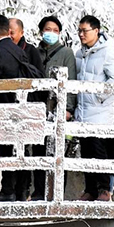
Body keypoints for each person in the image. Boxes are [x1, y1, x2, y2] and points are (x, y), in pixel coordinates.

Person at [75, 15, 114, 201]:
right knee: (86, 151)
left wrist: (98, 96)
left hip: (100, 112)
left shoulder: (107, 52)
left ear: (96, 31)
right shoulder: (79, 54)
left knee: (100, 151)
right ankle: (90, 189)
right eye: (79, 30)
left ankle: (105, 189)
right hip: (82, 111)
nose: (81, 34)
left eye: (85, 31)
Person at [0, 14, 33, 202]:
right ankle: (19, 191)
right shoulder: (17, 49)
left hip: (4, 107)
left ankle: (7, 191)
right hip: (20, 106)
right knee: (18, 149)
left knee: (6, 149)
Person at [32, 15, 77, 201]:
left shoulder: (66, 53)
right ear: (41, 31)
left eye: (55, 31)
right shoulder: (34, 52)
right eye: (48, 29)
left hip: (58, 108)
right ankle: (38, 191)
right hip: (38, 107)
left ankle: (56, 192)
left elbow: (72, 80)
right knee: (38, 149)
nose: (51, 33)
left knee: (57, 150)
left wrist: (69, 108)